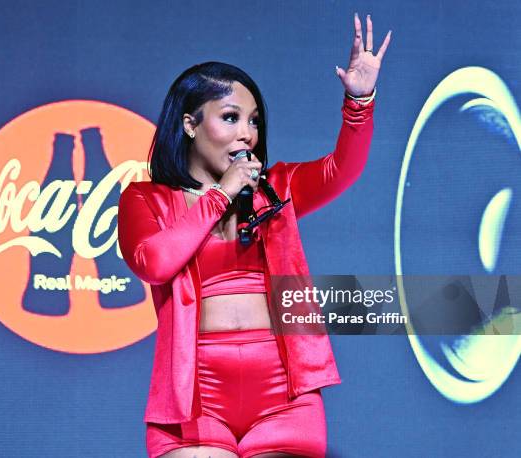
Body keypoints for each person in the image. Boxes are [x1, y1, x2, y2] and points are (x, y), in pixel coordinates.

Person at [118, 13, 391, 458]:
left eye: (254, 121)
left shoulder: (275, 189)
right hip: (195, 403)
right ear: (190, 124)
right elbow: (155, 262)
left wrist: (359, 102)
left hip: (284, 397)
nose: (247, 133)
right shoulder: (145, 199)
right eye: (230, 118)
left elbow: (342, 171)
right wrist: (220, 195)